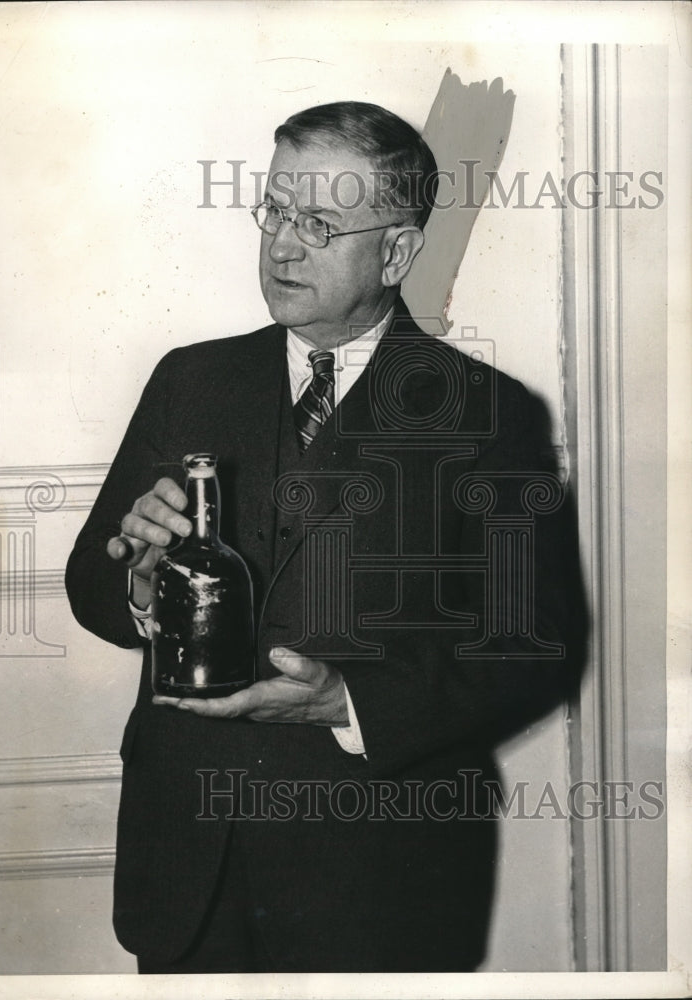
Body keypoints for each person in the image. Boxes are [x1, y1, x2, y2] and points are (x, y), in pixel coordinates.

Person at [65, 101, 583, 973]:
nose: (281, 246)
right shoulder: (190, 379)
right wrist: (142, 586)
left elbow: (535, 650)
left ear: (397, 252)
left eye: (318, 224)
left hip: (378, 882)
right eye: (274, 211)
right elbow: (93, 582)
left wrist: (348, 700)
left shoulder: (488, 414)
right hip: (188, 865)